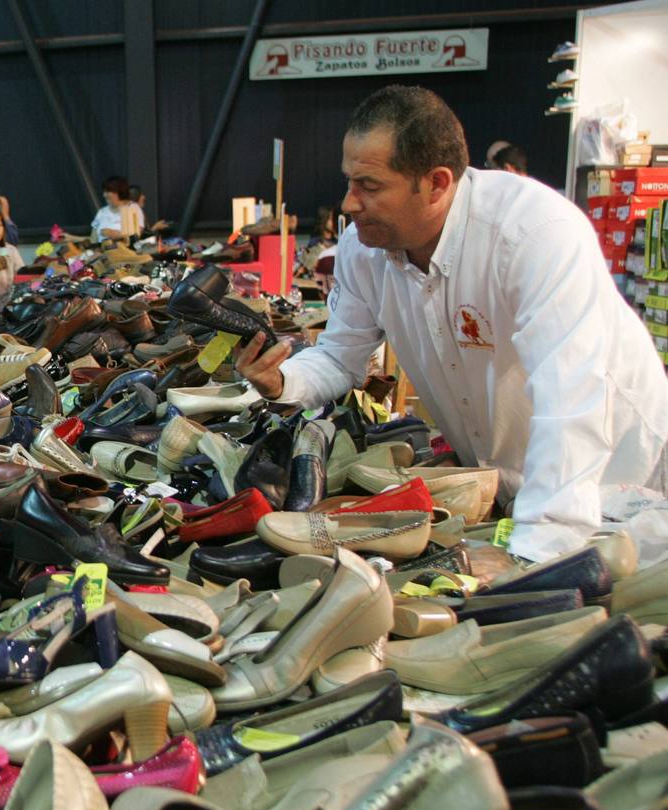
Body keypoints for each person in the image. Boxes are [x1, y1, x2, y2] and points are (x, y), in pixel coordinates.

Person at [235, 84, 668, 563]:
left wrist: (539, 554)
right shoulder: (363, 251)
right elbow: (341, 355)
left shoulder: (533, 234)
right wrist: (283, 380)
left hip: (621, 476)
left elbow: (571, 397)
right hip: (510, 480)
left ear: (437, 183)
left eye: (370, 186)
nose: (349, 203)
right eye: (349, 181)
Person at [91, 175, 141, 242]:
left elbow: (135, 235)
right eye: (104, 192)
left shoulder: (132, 208)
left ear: (119, 191)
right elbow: (93, 240)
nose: (104, 195)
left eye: (107, 191)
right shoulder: (101, 212)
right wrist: (73, 238)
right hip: (101, 250)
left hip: (124, 251)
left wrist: (116, 234)